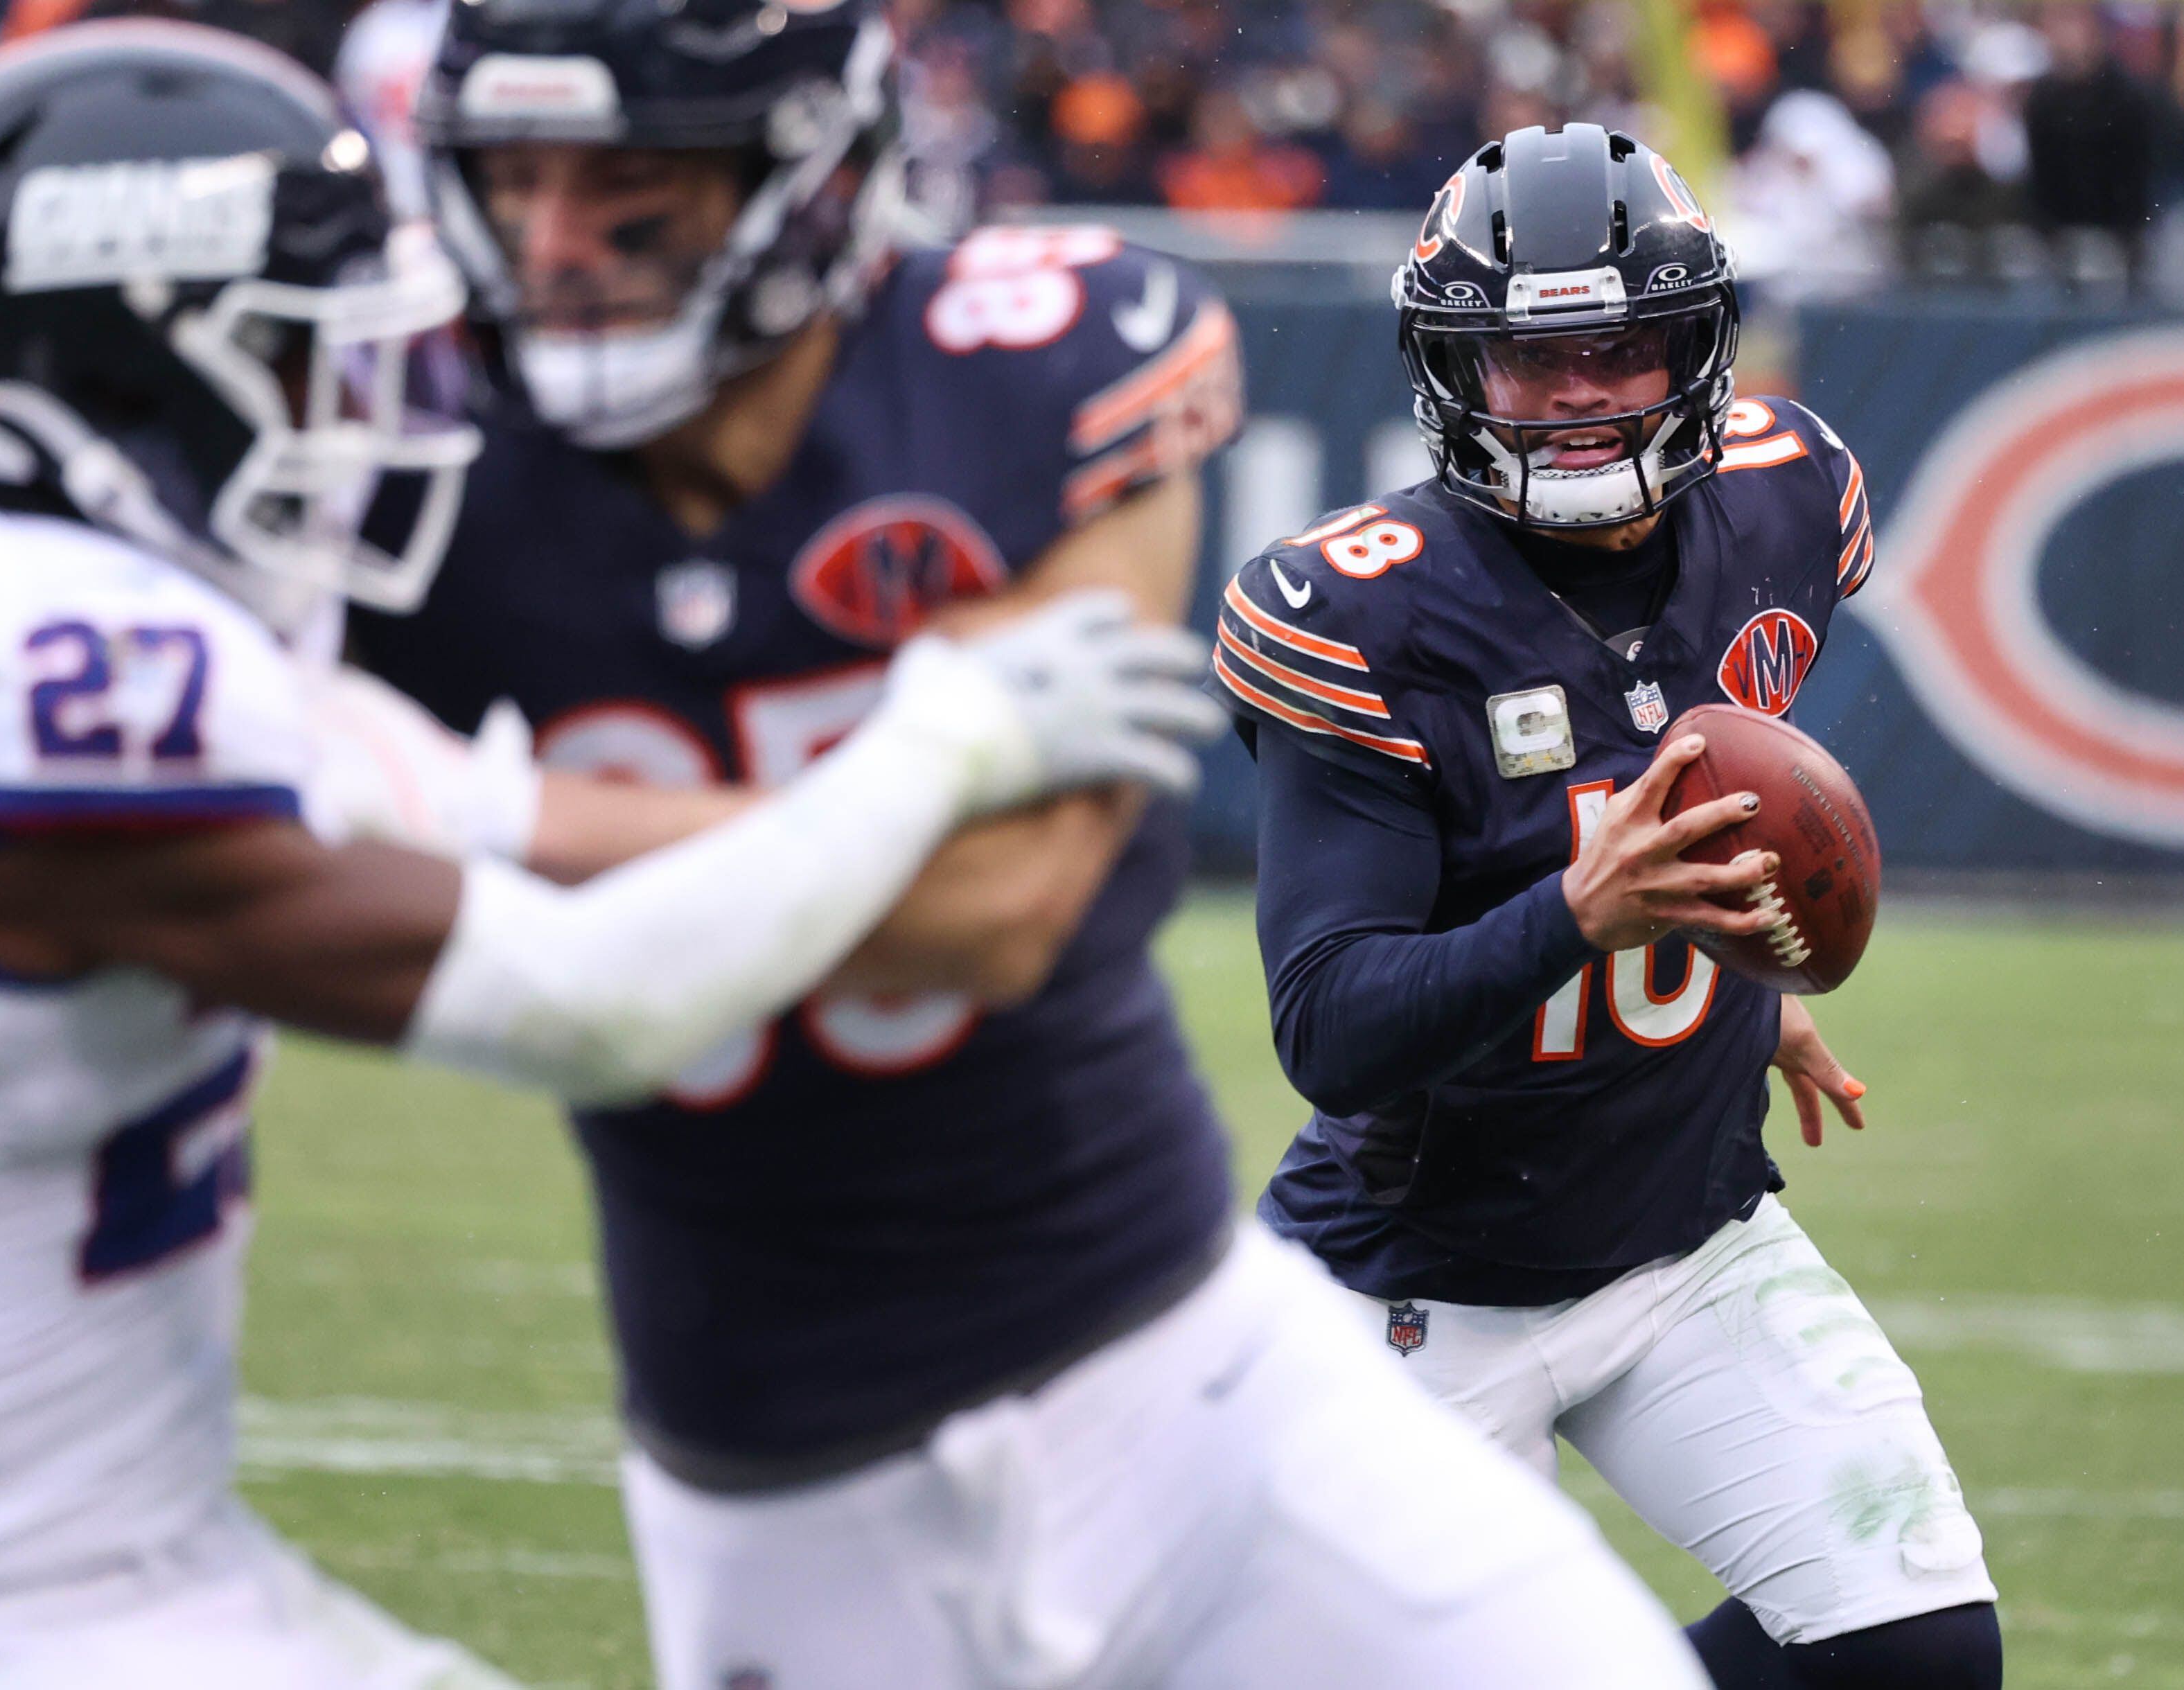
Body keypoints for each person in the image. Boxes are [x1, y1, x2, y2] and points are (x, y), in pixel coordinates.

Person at [351, 3, 1714, 1685]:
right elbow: (262, 844)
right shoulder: (411, 450)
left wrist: (483, 816)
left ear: (805, 174)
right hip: (781, 1473)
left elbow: (998, 901)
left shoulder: (1040, 354)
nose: (556, 245)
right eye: (517, 181)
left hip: (1171, 1371)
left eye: (633, 182)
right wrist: (914, 770)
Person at [0, 21, 1222, 1689]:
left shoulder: (110, 649)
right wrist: (942, 745)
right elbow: (592, 1001)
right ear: (133, 362)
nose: (348, 424)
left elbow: (506, 813)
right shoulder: (82, 668)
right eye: (295, 359)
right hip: (71, 1604)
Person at [1213, 123, 2005, 1690]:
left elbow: (1665, 763)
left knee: (1916, 1657)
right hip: (1405, 1292)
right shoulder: (1364, 614)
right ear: (1454, 373)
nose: (1581, 394)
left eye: (1623, 346)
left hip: (1681, 1236)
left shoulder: (1782, 503)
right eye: (1530, 358)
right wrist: (1582, 918)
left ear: (1695, 346)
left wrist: (1737, 971)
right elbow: (1332, 1027)